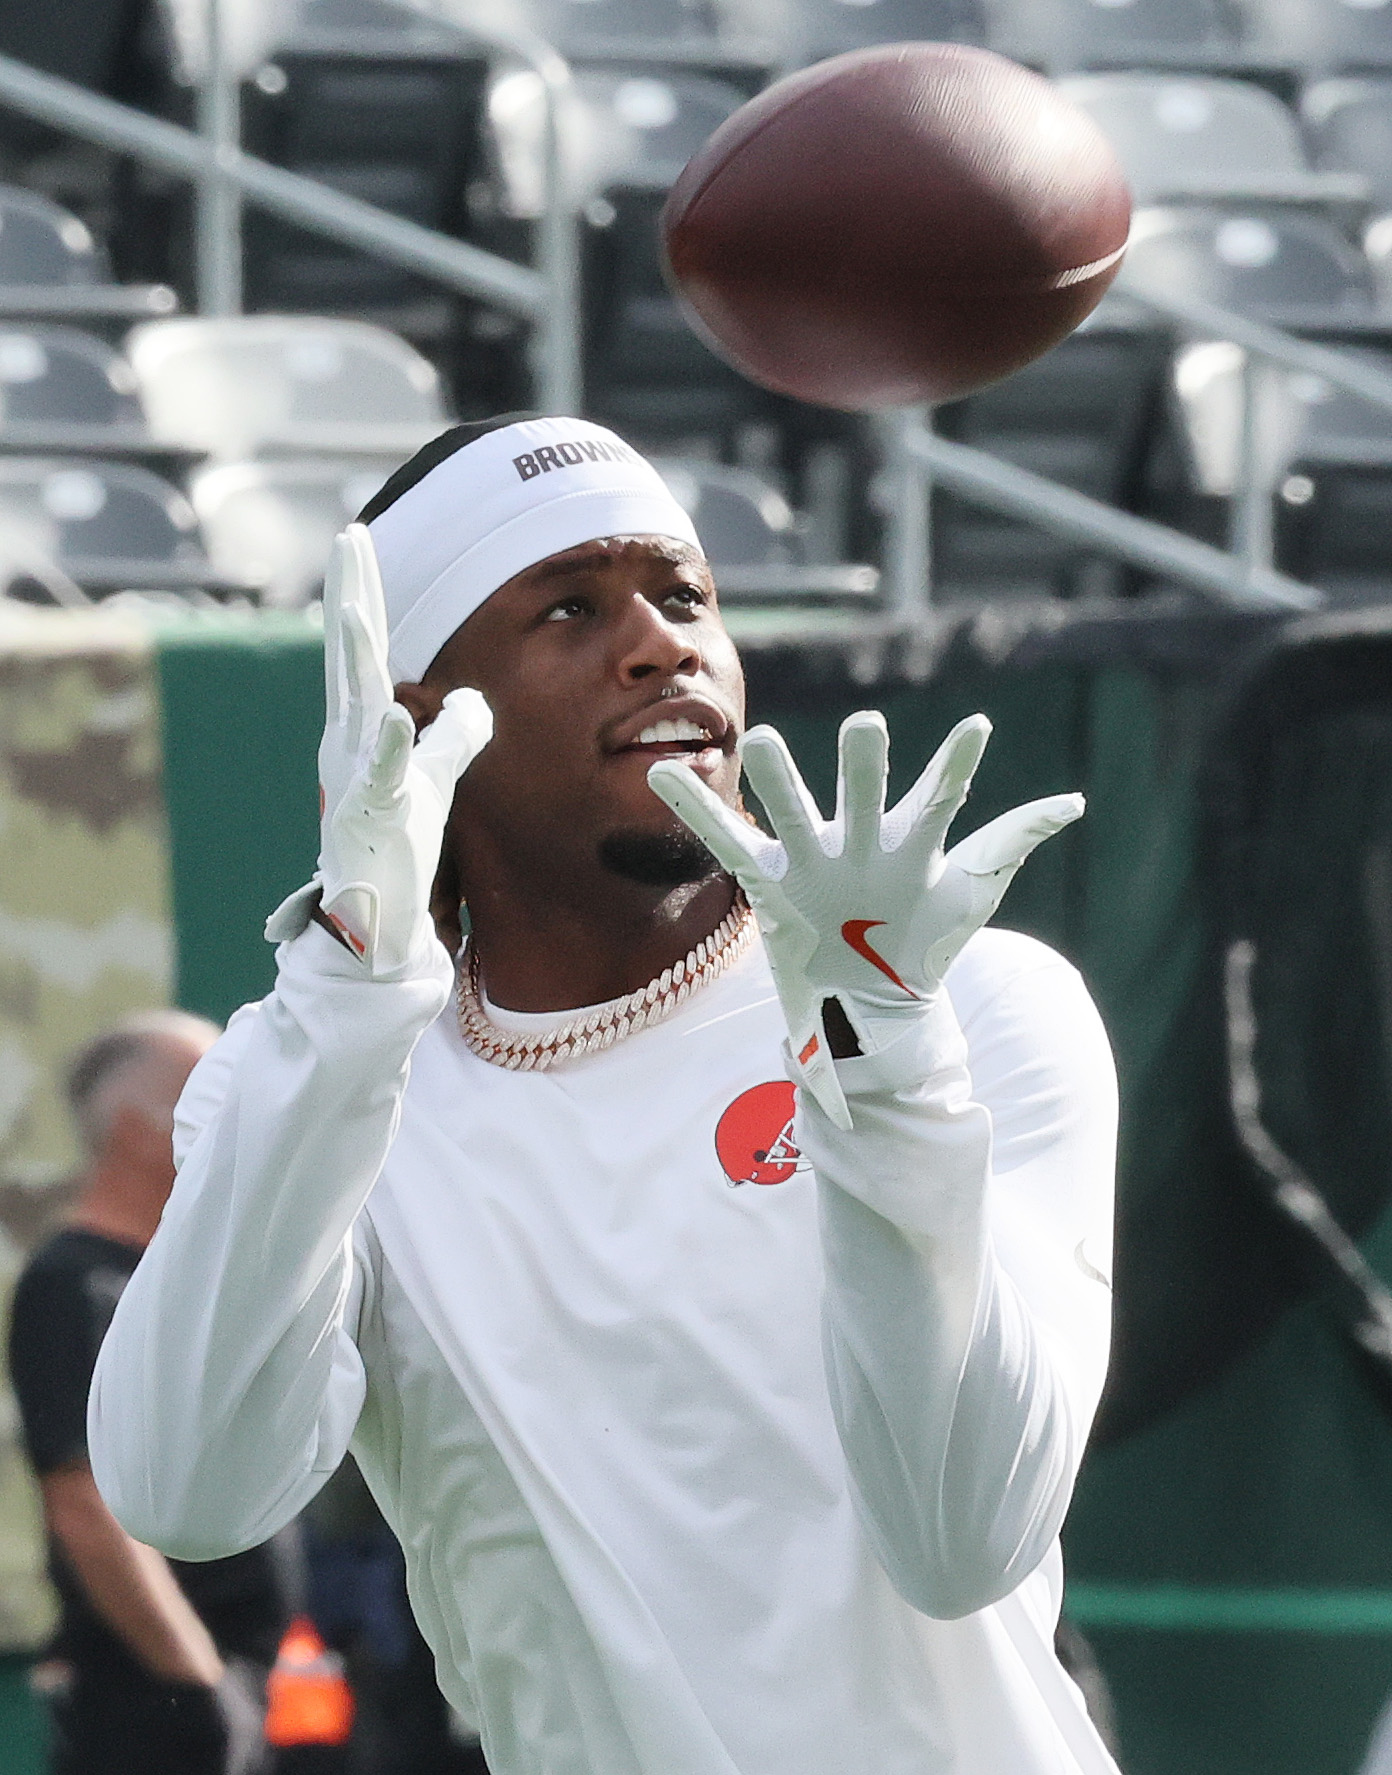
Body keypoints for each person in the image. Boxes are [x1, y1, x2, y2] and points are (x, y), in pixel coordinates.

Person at [88, 414, 1121, 1775]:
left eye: (685, 594)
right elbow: (185, 1485)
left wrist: (878, 1053)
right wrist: (347, 994)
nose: (661, 641)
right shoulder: (312, 1078)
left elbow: (961, 1534)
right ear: (418, 723)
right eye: (572, 606)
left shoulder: (973, 1004)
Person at [8, 1011, 290, 1775]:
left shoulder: (169, 1280)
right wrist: (197, 1680)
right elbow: (84, 1506)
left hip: (239, 1695)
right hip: (157, 1711)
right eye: (210, 1096)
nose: (234, 1122)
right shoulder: (72, 1285)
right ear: (137, 1130)